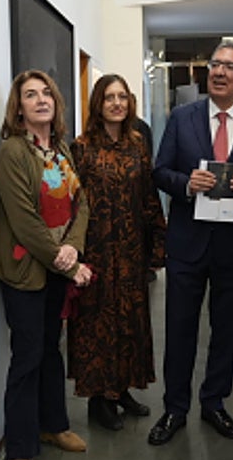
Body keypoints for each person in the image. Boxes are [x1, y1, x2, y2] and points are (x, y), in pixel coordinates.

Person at [148, 40, 233, 445]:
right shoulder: (182, 117)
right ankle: (175, 408)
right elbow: (161, 172)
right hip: (188, 242)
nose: (219, 72)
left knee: (225, 329)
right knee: (179, 329)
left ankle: (214, 403)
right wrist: (186, 184)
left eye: (230, 66)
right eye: (214, 64)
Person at [0, 70, 94, 460]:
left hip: (57, 265)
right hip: (25, 270)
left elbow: (80, 203)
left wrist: (74, 245)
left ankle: (55, 425)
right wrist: (67, 262)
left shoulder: (62, 150)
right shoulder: (13, 153)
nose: (40, 100)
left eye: (46, 93)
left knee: (53, 348)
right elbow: (24, 221)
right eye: (30, 95)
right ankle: (19, 450)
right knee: (28, 356)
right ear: (18, 108)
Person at [68, 75, 166, 430]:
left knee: (130, 321)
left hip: (131, 249)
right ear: (98, 103)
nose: (116, 103)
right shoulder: (81, 148)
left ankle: (122, 389)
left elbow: (149, 196)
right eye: (109, 97)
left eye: (122, 97)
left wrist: (158, 241)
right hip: (95, 250)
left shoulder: (137, 144)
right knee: (97, 325)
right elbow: (72, 204)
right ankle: (99, 399)